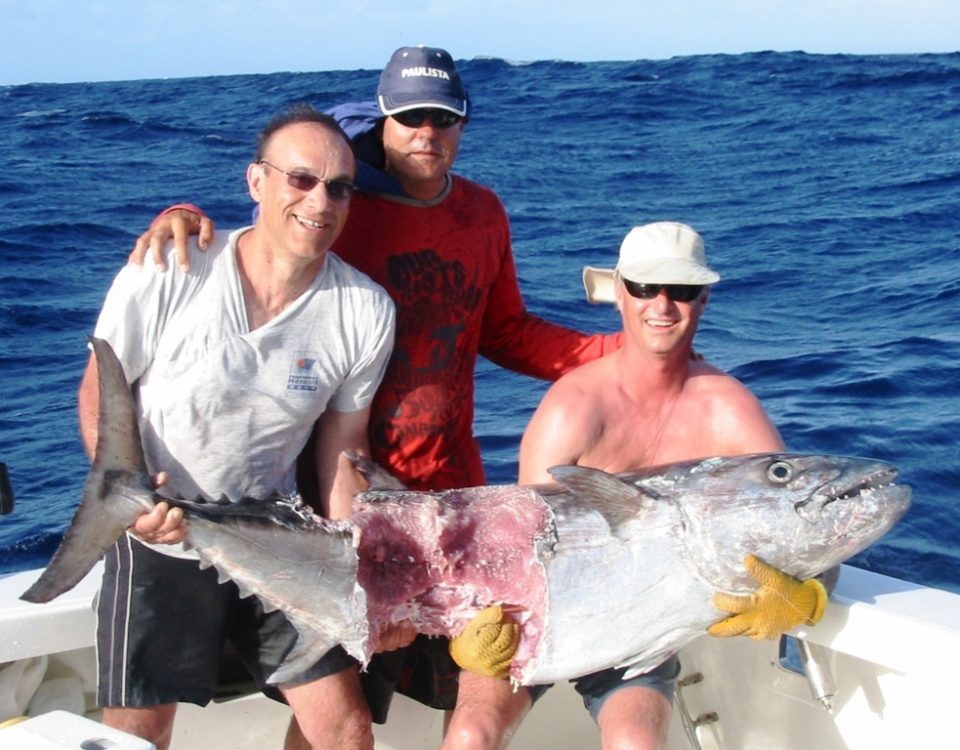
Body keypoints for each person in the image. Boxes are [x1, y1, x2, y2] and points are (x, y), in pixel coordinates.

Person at [131, 48, 819, 750]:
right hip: (349, 483)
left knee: (410, 697)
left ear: (463, 123)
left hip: (454, 496)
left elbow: (507, 331)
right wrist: (187, 213)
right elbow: (273, 234)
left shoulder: (483, 213)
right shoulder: (342, 204)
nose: (426, 132)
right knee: (336, 689)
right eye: (409, 117)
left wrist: (637, 349)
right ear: (385, 121)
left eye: (443, 116)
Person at [80, 105, 396, 750]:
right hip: (158, 530)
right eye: (301, 180)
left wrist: (356, 556)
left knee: (344, 729)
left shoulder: (366, 309)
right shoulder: (171, 267)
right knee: (138, 732)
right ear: (257, 182)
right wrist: (130, 495)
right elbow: (98, 396)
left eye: (339, 187)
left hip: (277, 532)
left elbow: (343, 449)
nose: (320, 201)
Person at [518, 221, 828, 750]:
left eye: (681, 291)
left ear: (704, 299)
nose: (662, 305)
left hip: (644, 634)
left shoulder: (729, 409)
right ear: (619, 294)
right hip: (536, 618)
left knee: (638, 743)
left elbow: (805, 519)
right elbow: (520, 542)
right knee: (472, 734)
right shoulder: (574, 405)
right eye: (644, 287)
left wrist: (811, 595)